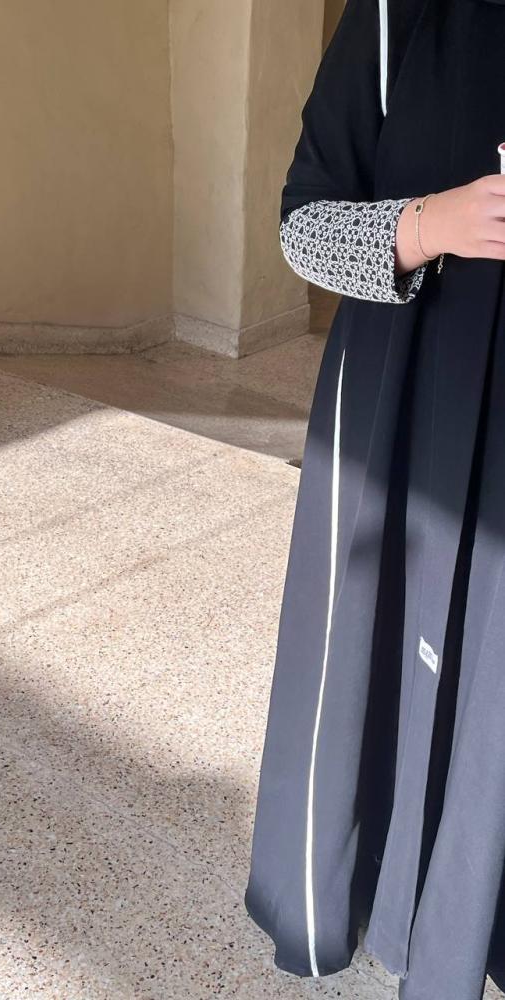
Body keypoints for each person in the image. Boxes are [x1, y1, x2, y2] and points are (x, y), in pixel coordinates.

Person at [243, 1, 505, 999]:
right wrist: (433, 224)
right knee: (382, 656)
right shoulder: (398, 15)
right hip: (403, 411)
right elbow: (302, 224)